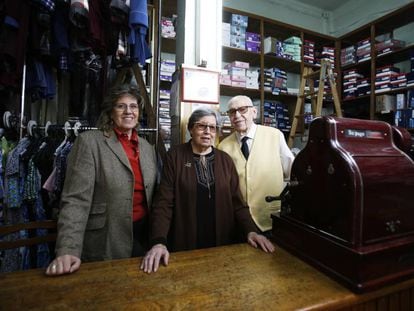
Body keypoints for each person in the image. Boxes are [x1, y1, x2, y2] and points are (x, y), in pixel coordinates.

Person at [140, 108, 274, 274]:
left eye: (212, 127)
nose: (207, 132)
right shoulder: (175, 156)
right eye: (201, 126)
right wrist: (158, 241)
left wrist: (251, 230)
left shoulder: (225, 160)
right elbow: (164, 203)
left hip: (221, 243)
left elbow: (237, 203)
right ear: (190, 129)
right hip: (186, 242)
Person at [45, 84, 158, 276]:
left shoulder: (147, 148)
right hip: (106, 238)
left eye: (134, 106)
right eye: (121, 106)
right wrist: (67, 249)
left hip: (142, 238)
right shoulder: (90, 142)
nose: (128, 111)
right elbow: (75, 200)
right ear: (110, 112)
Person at [218, 95, 294, 235]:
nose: (237, 115)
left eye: (242, 109)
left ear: (254, 112)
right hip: (239, 222)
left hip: (270, 218)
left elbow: (292, 173)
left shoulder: (274, 135)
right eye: (232, 112)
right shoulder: (223, 146)